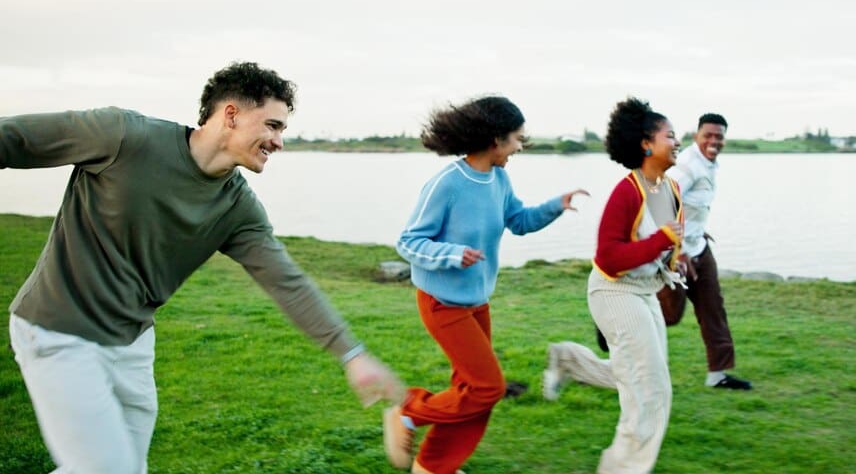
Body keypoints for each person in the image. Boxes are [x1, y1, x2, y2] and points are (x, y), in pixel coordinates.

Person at [1, 61, 404, 474]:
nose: (279, 141)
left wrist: (351, 353)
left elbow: (287, 282)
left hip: (131, 342)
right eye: (272, 125)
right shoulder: (123, 136)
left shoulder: (237, 208)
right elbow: (11, 139)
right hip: (58, 330)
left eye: (282, 129)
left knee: (123, 467)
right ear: (230, 114)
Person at [385, 96, 587, 474]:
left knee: (474, 393)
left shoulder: (499, 178)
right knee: (487, 389)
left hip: (476, 303)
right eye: (516, 139)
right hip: (442, 303)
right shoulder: (448, 183)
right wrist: (452, 254)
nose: (519, 147)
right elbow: (408, 243)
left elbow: (520, 221)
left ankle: (432, 467)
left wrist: (556, 206)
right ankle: (408, 411)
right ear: (495, 140)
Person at [543, 97, 685, 474]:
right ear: (646, 144)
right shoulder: (628, 190)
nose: (677, 141)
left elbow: (661, 244)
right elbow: (608, 257)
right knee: (650, 392)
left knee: (637, 375)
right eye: (670, 135)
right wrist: (661, 241)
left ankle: (568, 361)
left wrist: (675, 257)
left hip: (643, 292)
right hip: (614, 292)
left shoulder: (668, 188)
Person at [660, 113, 752, 390]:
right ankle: (616, 326)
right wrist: (679, 250)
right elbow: (663, 203)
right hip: (677, 254)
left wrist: (698, 230)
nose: (713, 141)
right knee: (670, 315)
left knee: (714, 309)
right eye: (707, 136)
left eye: (719, 136)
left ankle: (718, 375)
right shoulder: (687, 166)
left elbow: (691, 206)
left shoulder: (710, 164)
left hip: (699, 247)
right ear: (696, 136)